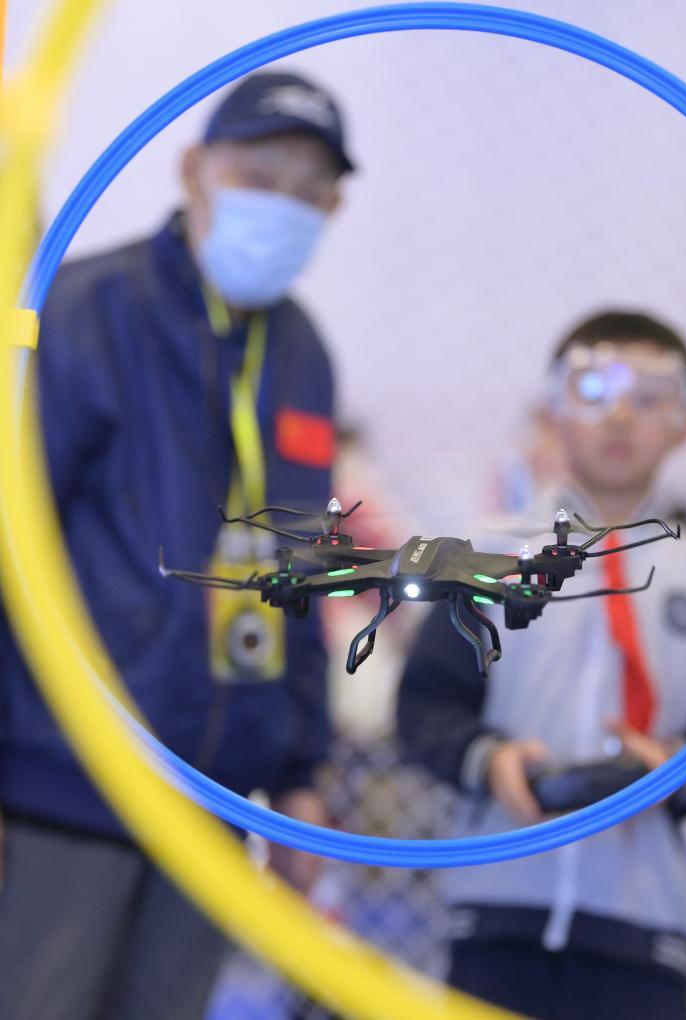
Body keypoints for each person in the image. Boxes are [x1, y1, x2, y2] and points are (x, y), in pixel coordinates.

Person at [0, 70, 354, 1020]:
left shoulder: (305, 355)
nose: (283, 205)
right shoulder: (85, 311)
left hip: (216, 806)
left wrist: (300, 772)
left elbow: (302, 573)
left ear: (334, 209)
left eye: (309, 190)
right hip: (64, 787)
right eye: (259, 175)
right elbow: (11, 542)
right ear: (194, 169)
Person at [397, 310, 686, 1020]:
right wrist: (490, 761)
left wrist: (677, 768)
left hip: (648, 927)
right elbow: (423, 706)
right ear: (553, 411)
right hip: (495, 912)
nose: (620, 417)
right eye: (594, 390)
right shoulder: (480, 558)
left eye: (650, 396)